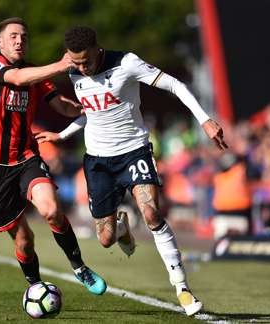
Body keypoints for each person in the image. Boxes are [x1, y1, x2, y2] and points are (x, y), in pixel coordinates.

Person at [36, 26, 228, 316]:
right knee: (105, 239)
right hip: (98, 161)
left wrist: (205, 120)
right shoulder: (72, 70)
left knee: (151, 213)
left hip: (133, 151)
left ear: (97, 49)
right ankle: (122, 226)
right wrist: (61, 136)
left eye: (86, 61)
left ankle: (182, 288)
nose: (82, 68)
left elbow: (176, 85)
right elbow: (91, 113)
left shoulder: (126, 63)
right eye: (76, 62)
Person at [0, 18, 106, 295]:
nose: (19, 40)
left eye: (23, 36)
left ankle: (79, 267)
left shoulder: (36, 74)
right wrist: (62, 64)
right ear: (0, 42)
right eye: (12, 36)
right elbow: (17, 78)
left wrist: (91, 106)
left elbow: (62, 106)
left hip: (26, 158)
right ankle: (36, 288)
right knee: (24, 241)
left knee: (52, 210)